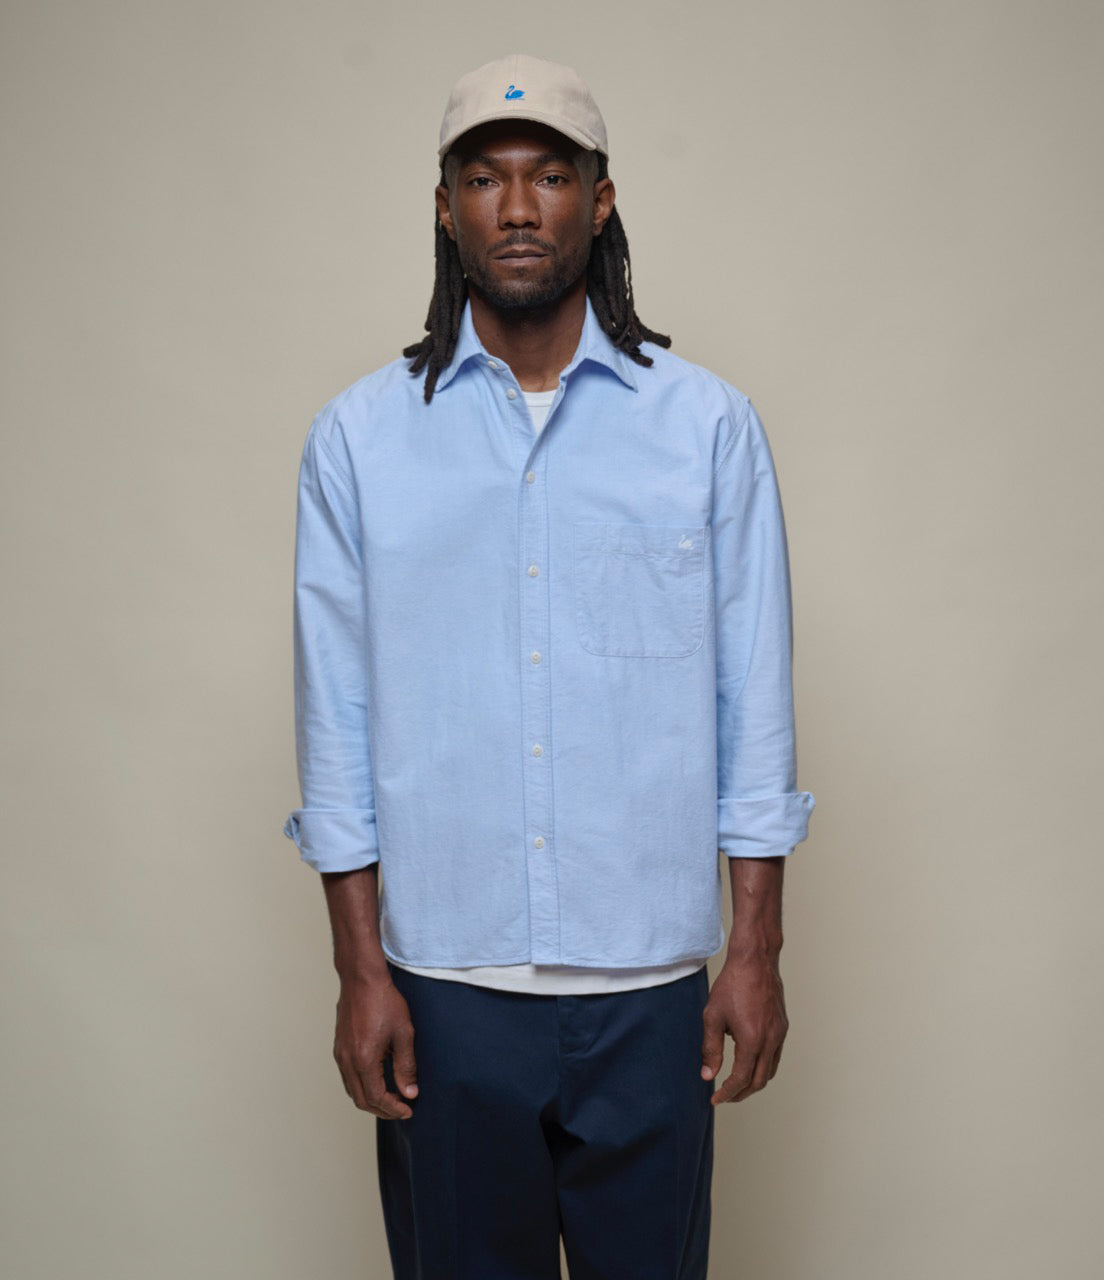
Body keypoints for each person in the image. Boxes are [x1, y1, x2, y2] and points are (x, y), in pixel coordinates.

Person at [283, 52, 816, 1280]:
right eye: (485, 177)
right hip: (446, 985)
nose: (518, 208)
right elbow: (337, 715)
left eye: (549, 178)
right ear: (445, 206)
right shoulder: (361, 440)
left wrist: (755, 951)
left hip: (651, 991)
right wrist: (361, 969)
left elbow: (756, 701)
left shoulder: (706, 427)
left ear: (602, 199)